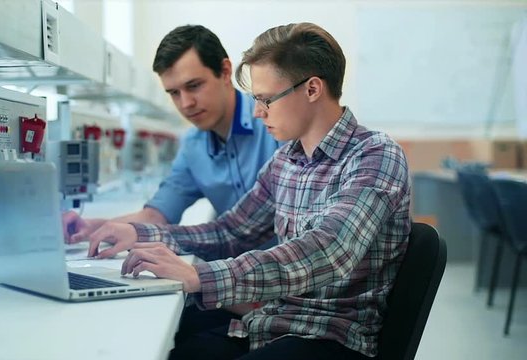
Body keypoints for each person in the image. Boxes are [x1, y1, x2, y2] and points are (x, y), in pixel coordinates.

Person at [74, 22, 411, 359]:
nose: (256, 111)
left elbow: (328, 251)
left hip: (331, 337)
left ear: (311, 90)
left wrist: (200, 275)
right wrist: (143, 234)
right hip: (275, 323)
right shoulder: (287, 160)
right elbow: (231, 231)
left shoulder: (375, 154)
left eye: (266, 99)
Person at [62, 25, 280, 244]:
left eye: (194, 86)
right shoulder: (193, 147)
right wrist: (92, 228)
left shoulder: (276, 123)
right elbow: (157, 215)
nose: (185, 103)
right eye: (174, 93)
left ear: (224, 72)